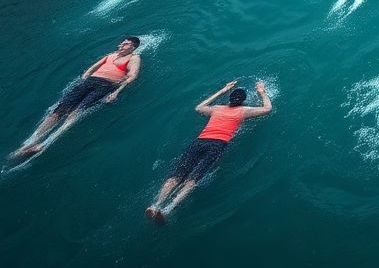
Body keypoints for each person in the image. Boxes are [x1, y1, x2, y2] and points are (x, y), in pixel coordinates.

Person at [146, 80, 272, 224]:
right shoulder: (244, 111)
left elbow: (199, 107)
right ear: (243, 102)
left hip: (199, 142)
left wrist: (223, 90)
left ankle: (155, 204)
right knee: (192, 179)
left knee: (176, 176)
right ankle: (168, 208)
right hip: (217, 144)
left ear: (230, 99)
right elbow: (267, 108)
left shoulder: (217, 109)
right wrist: (262, 91)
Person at [10, 37, 142, 161]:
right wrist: (85, 77)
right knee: (59, 110)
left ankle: (44, 144)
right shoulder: (110, 55)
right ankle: (30, 141)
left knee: (75, 112)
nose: (121, 45)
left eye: (125, 44)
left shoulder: (134, 58)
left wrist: (116, 92)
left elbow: (132, 76)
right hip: (89, 82)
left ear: (133, 47)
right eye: (121, 43)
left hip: (105, 86)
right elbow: (92, 68)